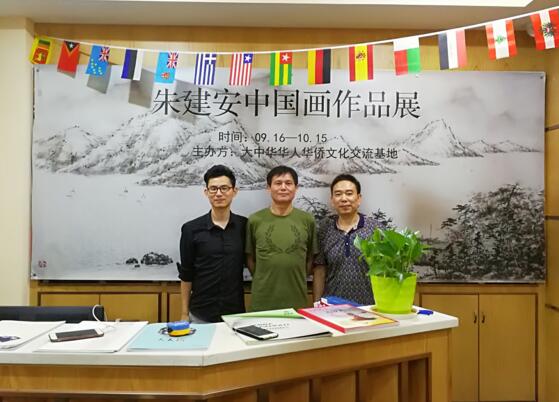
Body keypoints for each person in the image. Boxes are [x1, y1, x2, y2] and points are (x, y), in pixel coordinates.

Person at [177, 165, 247, 323]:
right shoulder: (190, 229)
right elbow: (186, 275)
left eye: (224, 188)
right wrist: (184, 313)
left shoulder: (244, 226)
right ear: (206, 192)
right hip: (200, 313)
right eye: (213, 189)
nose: (219, 193)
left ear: (234, 191)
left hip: (235, 314)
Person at [246, 166, 318, 312]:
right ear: (268, 188)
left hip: (297, 301)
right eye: (278, 183)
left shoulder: (307, 220)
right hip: (262, 302)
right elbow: (250, 259)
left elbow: (310, 259)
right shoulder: (255, 220)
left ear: (296, 188)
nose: (283, 188)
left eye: (288, 183)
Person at [313, 174, 382, 306]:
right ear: (332, 200)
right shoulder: (325, 230)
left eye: (349, 193)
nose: (344, 199)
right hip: (331, 307)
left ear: (359, 198)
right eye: (338, 194)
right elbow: (320, 269)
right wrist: (316, 303)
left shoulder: (375, 229)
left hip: (369, 307)